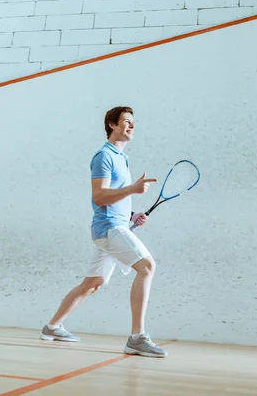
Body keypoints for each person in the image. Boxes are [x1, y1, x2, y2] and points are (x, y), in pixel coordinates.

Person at [39, 106, 168, 358]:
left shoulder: (122, 157)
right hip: (109, 228)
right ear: (111, 124)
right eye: (126, 122)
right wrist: (132, 189)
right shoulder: (104, 156)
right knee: (147, 267)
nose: (132, 126)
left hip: (114, 224)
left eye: (133, 123)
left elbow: (114, 196)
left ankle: (52, 326)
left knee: (93, 283)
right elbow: (99, 196)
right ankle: (137, 338)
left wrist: (131, 214)